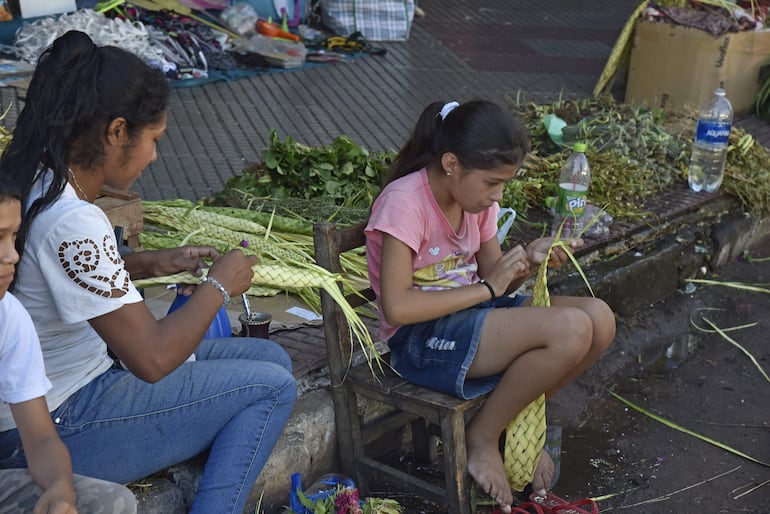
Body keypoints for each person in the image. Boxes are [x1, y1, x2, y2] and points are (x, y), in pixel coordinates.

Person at [0, 30, 296, 514]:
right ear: (117, 132)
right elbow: (153, 359)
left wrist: (145, 263)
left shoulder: (40, 175)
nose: (156, 156)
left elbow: (54, 274)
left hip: (73, 389)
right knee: (273, 386)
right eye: (153, 140)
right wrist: (220, 286)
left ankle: (190, 440)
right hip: (61, 420)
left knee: (272, 360)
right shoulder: (73, 218)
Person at [364, 100, 616, 511]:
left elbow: (494, 277)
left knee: (599, 319)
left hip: (470, 321)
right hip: (418, 342)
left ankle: (518, 428)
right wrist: (488, 288)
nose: (497, 195)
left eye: (504, 184)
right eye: (491, 183)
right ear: (451, 164)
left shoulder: (475, 202)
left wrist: (528, 262)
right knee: (570, 328)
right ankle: (483, 437)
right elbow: (397, 308)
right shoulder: (404, 202)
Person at [0, 176, 137, 514]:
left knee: (114, 503)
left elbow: (40, 439)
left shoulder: (9, 317)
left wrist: (61, 490)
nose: (11, 255)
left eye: (14, 237)